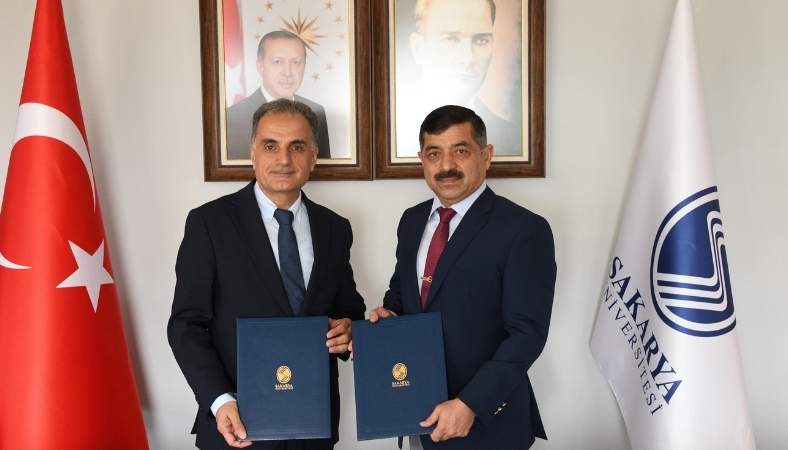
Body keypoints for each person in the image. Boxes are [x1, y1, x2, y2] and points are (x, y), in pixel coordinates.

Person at [168, 99, 364, 450]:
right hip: (236, 425)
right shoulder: (209, 224)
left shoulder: (335, 228)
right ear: (253, 153)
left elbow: (349, 310)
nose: (284, 159)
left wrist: (349, 330)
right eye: (271, 146)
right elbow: (186, 325)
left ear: (314, 155)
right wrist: (219, 400)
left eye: (297, 147)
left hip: (313, 427)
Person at [369, 105, 555, 449]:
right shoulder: (412, 221)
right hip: (418, 412)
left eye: (460, 151)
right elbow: (402, 292)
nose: (446, 166)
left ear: (486, 155)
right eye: (434, 154)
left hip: (488, 423)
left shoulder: (524, 229)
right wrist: (391, 315)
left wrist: (470, 403)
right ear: (422, 160)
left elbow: (527, 334)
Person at [399, 0, 521, 156]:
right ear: (418, 48)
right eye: (451, 39)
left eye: (481, 40)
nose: (468, 58)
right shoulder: (396, 129)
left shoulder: (512, 139)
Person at [226, 31, 331, 160]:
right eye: (277, 62)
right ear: (260, 66)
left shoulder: (317, 112)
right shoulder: (232, 117)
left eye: (296, 62)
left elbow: (321, 166)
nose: (287, 72)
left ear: (305, 66)